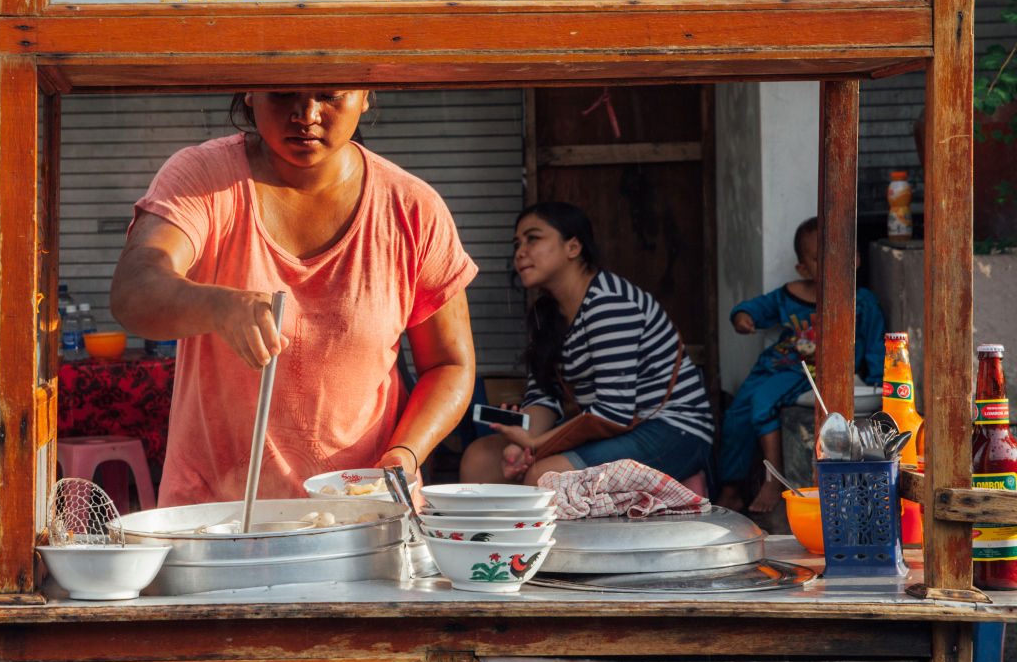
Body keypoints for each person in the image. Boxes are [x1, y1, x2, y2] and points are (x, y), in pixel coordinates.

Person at [110, 91, 479, 507]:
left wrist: (405, 453)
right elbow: (133, 290)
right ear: (251, 91)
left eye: (329, 95)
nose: (306, 114)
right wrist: (217, 306)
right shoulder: (202, 178)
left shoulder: (413, 209)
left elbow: (449, 363)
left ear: (364, 95)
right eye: (285, 92)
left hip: (357, 512)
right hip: (212, 514)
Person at [459, 202, 713, 486]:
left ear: (573, 247)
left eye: (533, 238)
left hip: (672, 431)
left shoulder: (609, 304)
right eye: (517, 243)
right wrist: (520, 444)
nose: (520, 252)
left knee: (545, 478)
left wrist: (536, 444)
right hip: (612, 429)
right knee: (479, 459)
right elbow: (544, 395)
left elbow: (614, 413)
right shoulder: (548, 313)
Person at [717, 216, 885, 513]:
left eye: (842, 256)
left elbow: (874, 345)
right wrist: (742, 317)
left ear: (856, 259)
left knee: (761, 404)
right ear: (803, 268)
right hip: (770, 366)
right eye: (821, 260)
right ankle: (731, 489)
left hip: (807, 370)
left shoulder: (862, 301)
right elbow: (754, 309)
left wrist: (876, 382)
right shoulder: (790, 294)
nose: (833, 266)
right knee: (734, 418)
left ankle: (773, 482)